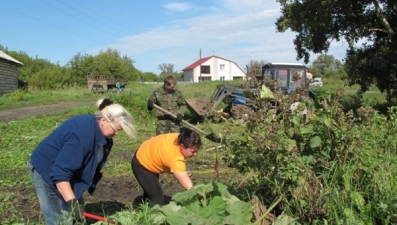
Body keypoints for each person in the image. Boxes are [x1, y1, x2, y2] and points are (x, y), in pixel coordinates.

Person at [28, 98, 137, 225]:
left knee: (76, 214)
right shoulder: (82, 134)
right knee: (60, 218)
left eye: (120, 131)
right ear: (103, 121)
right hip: (48, 169)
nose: (117, 134)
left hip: (67, 170)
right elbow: (60, 174)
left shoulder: (105, 136)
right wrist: (72, 203)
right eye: (116, 129)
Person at [131, 127, 201, 206]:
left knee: (151, 192)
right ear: (182, 146)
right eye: (193, 152)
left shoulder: (180, 137)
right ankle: (151, 216)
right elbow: (189, 187)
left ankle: (144, 209)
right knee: (157, 200)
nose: (195, 154)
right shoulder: (175, 159)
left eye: (197, 150)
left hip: (148, 152)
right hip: (142, 164)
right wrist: (199, 199)